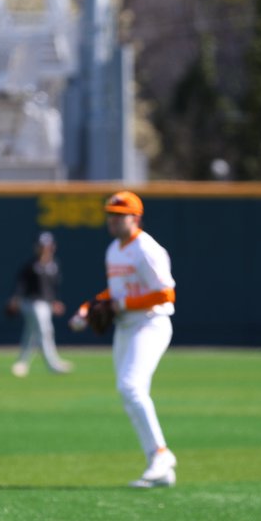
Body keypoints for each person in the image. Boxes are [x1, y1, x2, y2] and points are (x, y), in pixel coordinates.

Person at [69, 191, 178, 488]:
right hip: (126, 326)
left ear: (136, 217)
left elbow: (167, 293)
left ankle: (161, 454)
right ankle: (160, 468)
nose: (113, 219)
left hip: (151, 323)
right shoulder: (113, 250)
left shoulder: (147, 249)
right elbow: (114, 294)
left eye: (120, 214)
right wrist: (87, 307)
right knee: (128, 392)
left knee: (130, 387)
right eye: (110, 214)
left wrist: (124, 305)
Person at [7, 231, 72, 377]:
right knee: (45, 330)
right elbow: (20, 285)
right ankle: (52, 363)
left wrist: (56, 301)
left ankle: (22, 363)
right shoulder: (32, 265)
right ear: (37, 247)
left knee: (31, 334)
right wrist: (15, 298)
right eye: (42, 246)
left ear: (52, 247)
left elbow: (54, 287)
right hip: (31, 303)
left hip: (46, 304)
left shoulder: (53, 265)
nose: (45, 249)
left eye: (47, 246)